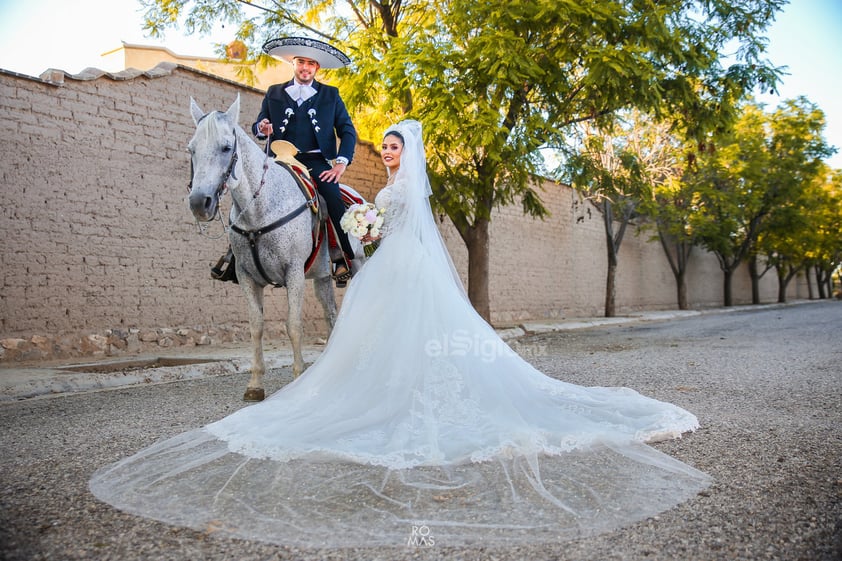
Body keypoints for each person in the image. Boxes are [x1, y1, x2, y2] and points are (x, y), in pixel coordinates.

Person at [90, 121, 710, 548]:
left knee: (386, 312)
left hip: (399, 266)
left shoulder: (403, 186)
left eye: (392, 146)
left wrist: (356, 216)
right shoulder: (333, 144)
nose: (386, 153)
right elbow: (375, 220)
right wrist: (344, 198)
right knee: (287, 261)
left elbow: (388, 228)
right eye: (383, 147)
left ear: (405, 152)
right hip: (359, 231)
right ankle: (243, 261)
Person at [212, 37, 358, 286]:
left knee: (332, 196)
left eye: (311, 64)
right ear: (293, 63)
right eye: (301, 62)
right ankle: (235, 258)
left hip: (315, 161)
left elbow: (347, 131)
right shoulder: (274, 92)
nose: (305, 68)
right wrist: (263, 127)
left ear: (317, 68)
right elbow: (258, 125)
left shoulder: (330, 95)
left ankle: (343, 257)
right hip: (277, 161)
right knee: (247, 194)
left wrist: (340, 163)